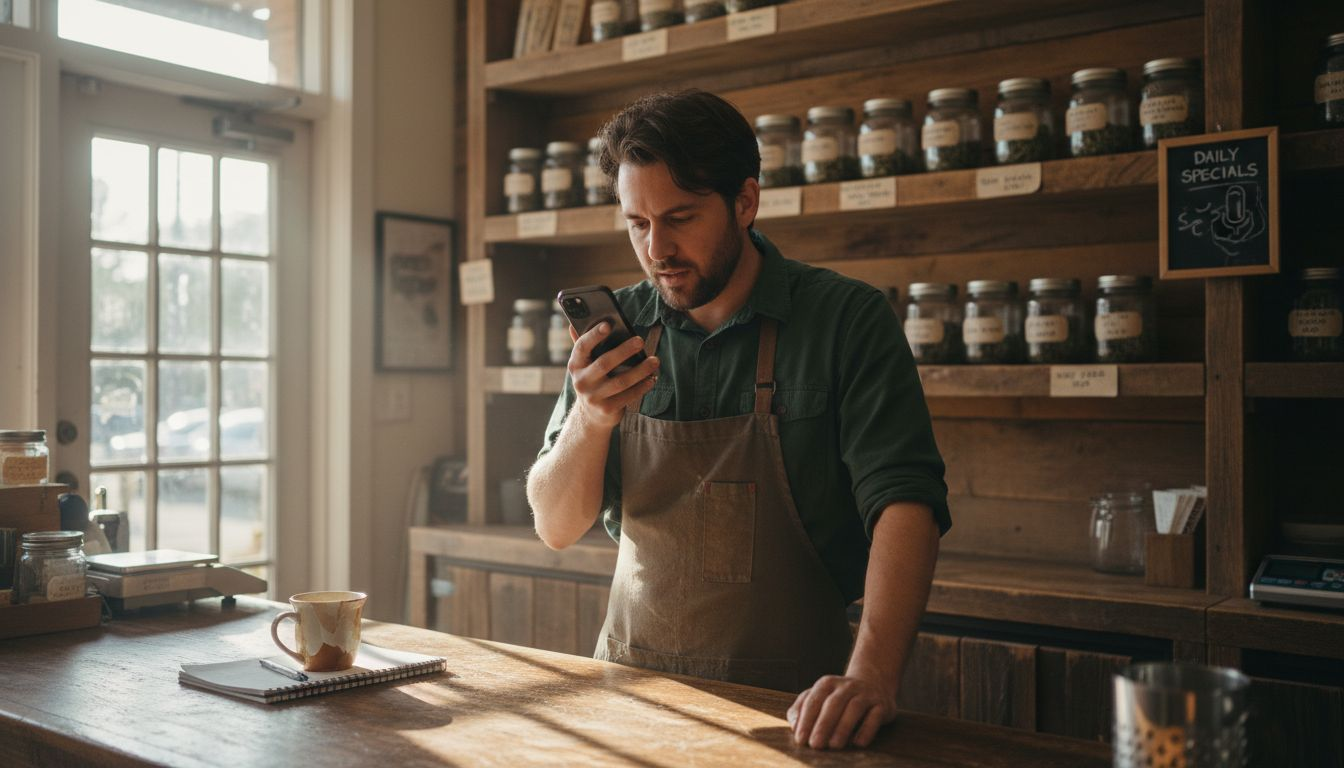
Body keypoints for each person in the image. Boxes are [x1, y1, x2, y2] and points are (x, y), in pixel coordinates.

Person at [526, 90, 950, 751]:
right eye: (637, 223)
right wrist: (592, 416)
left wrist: (871, 676)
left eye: (680, 218)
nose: (656, 248)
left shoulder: (847, 320)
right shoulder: (620, 329)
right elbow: (554, 526)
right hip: (629, 699)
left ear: (746, 203)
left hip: (800, 711)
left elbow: (906, 501)